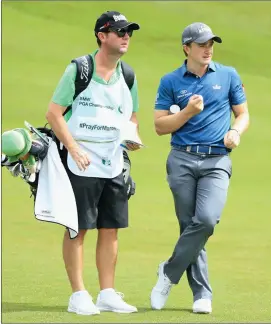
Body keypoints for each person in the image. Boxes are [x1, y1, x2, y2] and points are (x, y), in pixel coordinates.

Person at [45, 10, 142, 315]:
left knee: (110, 228)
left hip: (112, 161)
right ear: (102, 35)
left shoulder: (127, 75)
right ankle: (78, 295)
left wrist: (131, 138)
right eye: (120, 31)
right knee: (78, 228)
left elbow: (132, 116)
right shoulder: (80, 69)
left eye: (129, 32)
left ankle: (108, 293)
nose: (126, 36)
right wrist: (73, 149)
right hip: (80, 160)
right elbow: (54, 113)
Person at [150, 22, 250, 314]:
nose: (208, 49)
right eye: (202, 44)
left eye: (211, 44)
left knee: (205, 221)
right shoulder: (170, 81)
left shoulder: (228, 75)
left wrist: (236, 132)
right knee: (189, 226)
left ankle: (168, 272)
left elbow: (242, 114)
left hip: (217, 160)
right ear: (186, 48)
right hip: (181, 158)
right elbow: (159, 126)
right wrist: (188, 112)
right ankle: (201, 294)